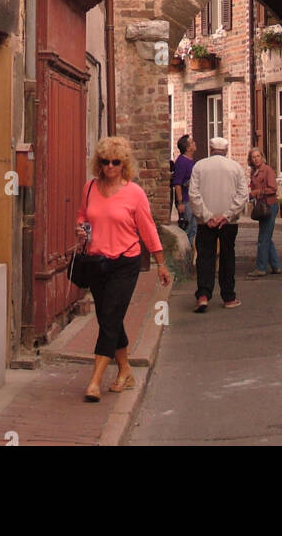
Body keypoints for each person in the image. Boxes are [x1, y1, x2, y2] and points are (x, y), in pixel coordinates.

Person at [74, 135, 172, 401]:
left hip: (125, 262)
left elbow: (148, 228)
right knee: (109, 318)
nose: (109, 167)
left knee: (110, 318)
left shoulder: (134, 193)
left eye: (115, 162)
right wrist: (81, 229)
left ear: (124, 164)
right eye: (105, 162)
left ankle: (95, 381)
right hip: (96, 262)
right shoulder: (90, 188)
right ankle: (125, 369)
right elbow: (83, 216)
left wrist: (161, 263)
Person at [188, 136, 249, 311]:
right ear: (226, 150)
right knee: (227, 256)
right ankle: (229, 296)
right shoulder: (235, 167)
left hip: (205, 222)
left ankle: (203, 295)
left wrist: (207, 216)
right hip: (228, 223)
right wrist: (227, 215)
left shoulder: (199, 166)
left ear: (210, 148)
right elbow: (242, 194)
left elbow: (194, 194)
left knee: (205, 257)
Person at [246, 146, 282, 278]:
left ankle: (261, 268)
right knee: (267, 237)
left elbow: (273, 188)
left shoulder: (267, 170)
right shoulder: (254, 172)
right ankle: (276, 265)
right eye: (253, 157)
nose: (256, 159)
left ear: (262, 157)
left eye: (258, 156)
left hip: (270, 205)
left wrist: (258, 192)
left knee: (263, 238)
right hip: (262, 206)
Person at [171, 134, 197, 250]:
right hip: (185, 201)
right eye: (191, 142)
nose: (194, 143)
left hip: (192, 200)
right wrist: (180, 202)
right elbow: (177, 183)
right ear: (187, 148)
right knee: (187, 230)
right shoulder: (181, 162)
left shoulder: (191, 161)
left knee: (193, 230)